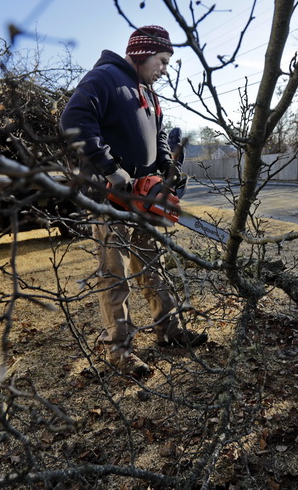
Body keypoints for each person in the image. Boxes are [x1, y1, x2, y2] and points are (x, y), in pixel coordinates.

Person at [60, 25, 207, 377]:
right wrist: (111, 169)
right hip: (110, 200)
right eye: (162, 60)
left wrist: (167, 166)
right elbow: (74, 120)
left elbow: (157, 136)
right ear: (142, 53)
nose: (165, 69)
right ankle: (121, 351)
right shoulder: (105, 78)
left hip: (141, 200)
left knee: (151, 267)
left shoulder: (149, 92)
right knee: (115, 277)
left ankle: (168, 332)